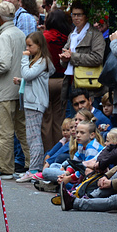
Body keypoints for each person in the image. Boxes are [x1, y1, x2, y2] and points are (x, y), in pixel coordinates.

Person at [0, 1, 31, 179]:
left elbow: (3, 64)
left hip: (5, 88)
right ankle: (31, 164)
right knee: (22, 129)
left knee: (4, 131)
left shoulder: (4, 36)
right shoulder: (18, 33)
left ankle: (5, 168)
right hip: (19, 87)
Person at [14, 31, 55, 182]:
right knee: (32, 137)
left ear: (39, 45)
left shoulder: (42, 61)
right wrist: (21, 81)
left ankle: (33, 170)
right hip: (33, 101)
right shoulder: (40, 61)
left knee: (34, 137)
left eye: (30, 46)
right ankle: (34, 169)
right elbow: (31, 78)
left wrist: (24, 58)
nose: (28, 49)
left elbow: (28, 74)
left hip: (35, 102)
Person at [59, 2, 105, 107]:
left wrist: (73, 57)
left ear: (86, 16)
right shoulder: (72, 34)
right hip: (71, 82)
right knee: (72, 120)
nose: (76, 18)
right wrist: (64, 59)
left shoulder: (95, 35)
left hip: (88, 85)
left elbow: (98, 58)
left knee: (87, 119)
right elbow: (65, 56)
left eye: (79, 14)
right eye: (73, 15)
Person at [41, 9, 71, 149]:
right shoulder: (67, 37)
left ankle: (48, 152)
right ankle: (59, 150)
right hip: (62, 80)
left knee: (46, 120)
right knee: (60, 119)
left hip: (45, 81)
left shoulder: (43, 37)